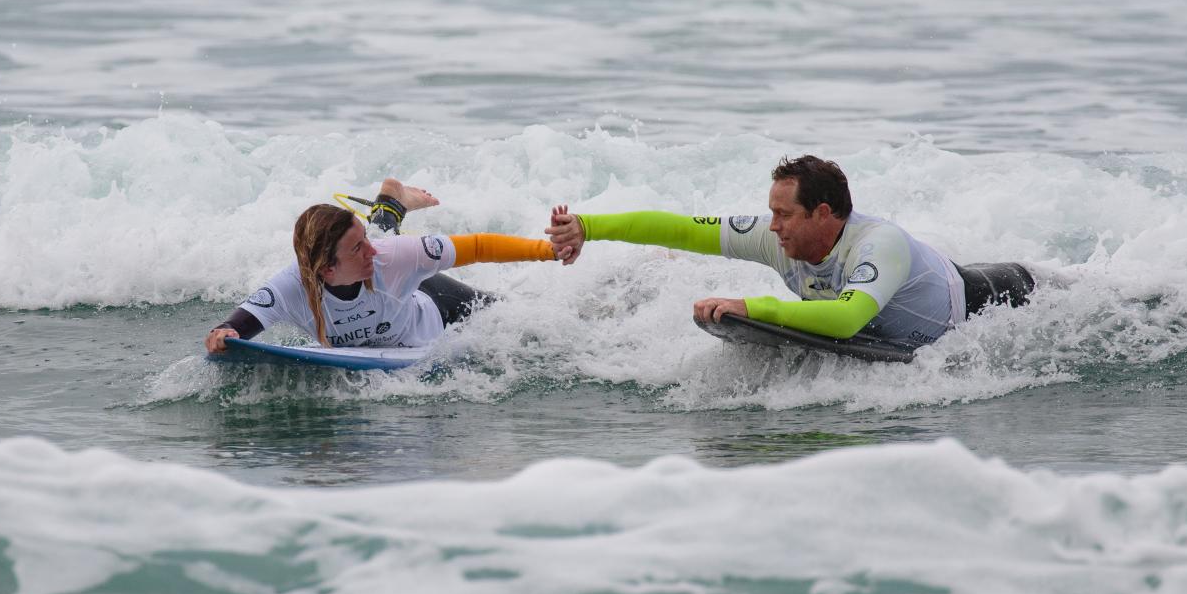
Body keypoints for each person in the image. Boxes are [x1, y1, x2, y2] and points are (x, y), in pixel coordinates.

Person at [545, 155, 1034, 347]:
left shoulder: (880, 244)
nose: (771, 226)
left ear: (823, 213)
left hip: (994, 296)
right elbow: (681, 230)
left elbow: (845, 320)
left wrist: (749, 307)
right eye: (771, 212)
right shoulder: (777, 234)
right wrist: (589, 225)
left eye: (784, 215)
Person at [205, 177, 556, 353]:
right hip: (393, 283)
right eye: (358, 248)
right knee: (381, 248)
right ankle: (390, 204)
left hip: (439, 307)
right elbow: (235, 326)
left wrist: (547, 250)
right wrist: (224, 336)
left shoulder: (389, 256)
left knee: (512, 316)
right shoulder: (290, 287)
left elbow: (480, 246)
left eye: (364, 242)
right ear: (326, 270)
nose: (370, 251)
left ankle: (391, 204)